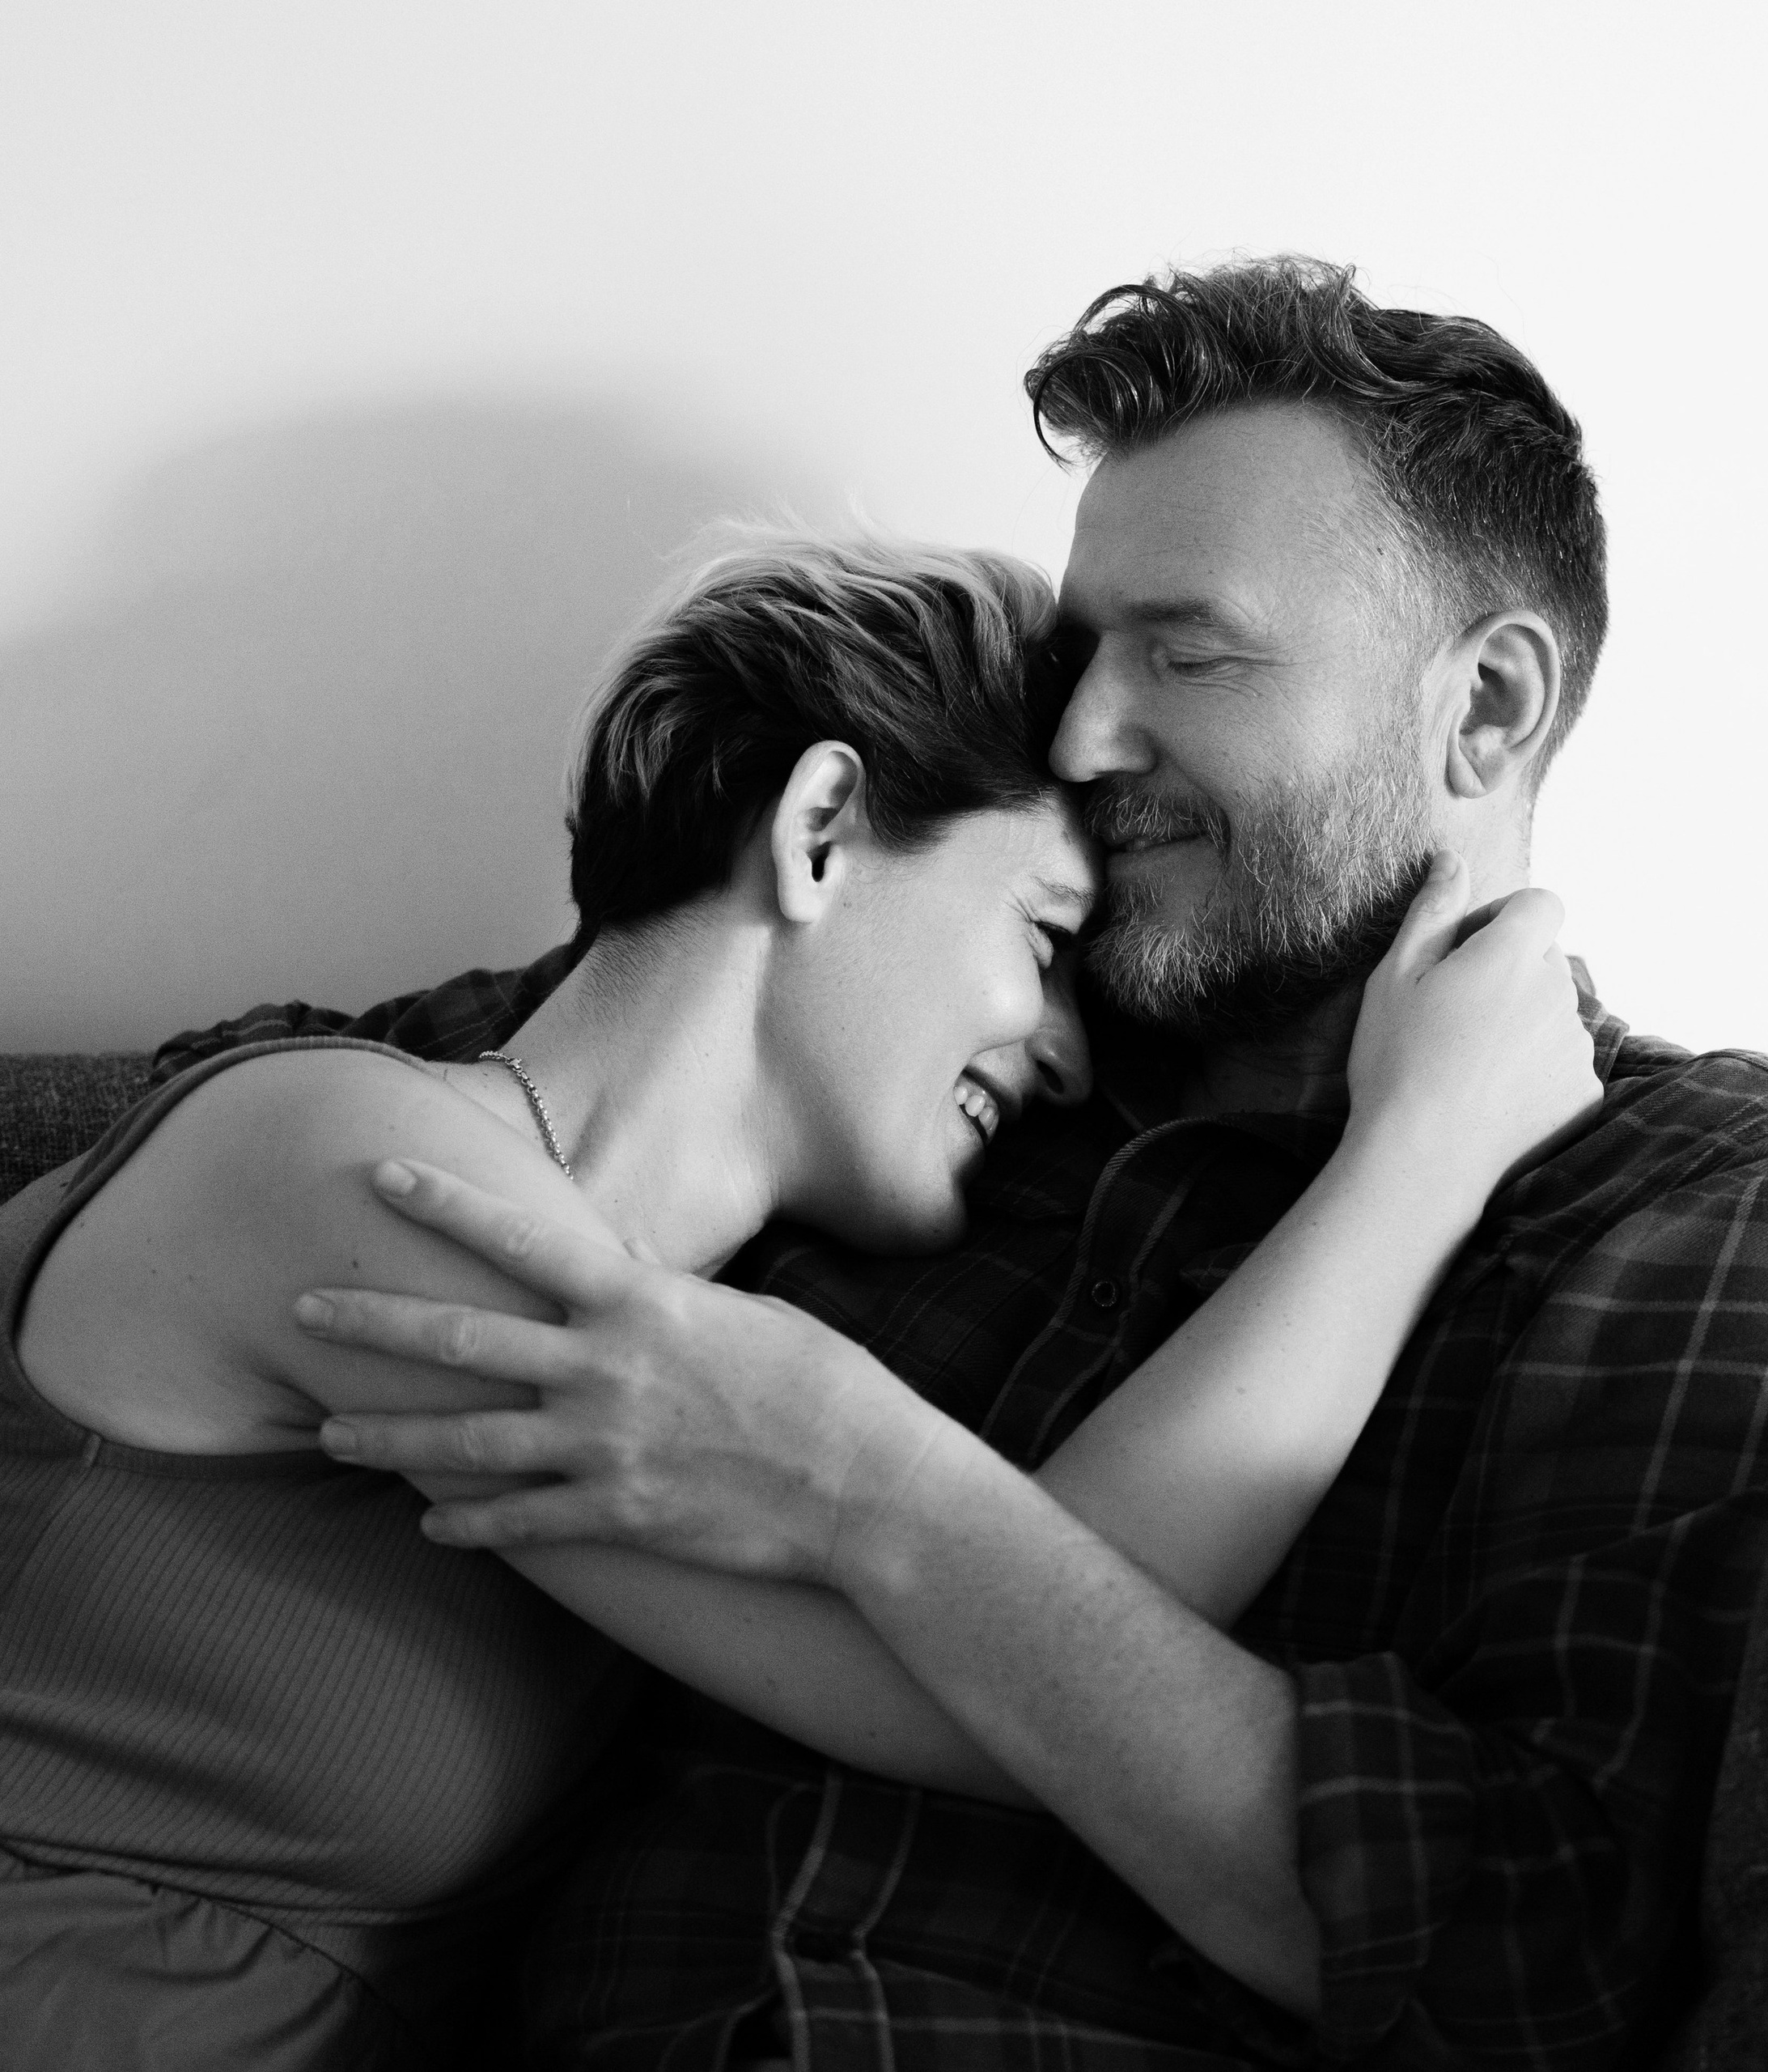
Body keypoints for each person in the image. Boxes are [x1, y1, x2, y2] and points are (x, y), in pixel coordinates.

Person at [273, 258, 1768, 2070]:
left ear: (1484, 709)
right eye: (1086, 654)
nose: (1077, 738)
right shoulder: (946, 1036)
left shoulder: (1700, 1195)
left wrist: (857, 1472)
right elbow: (360, 1094)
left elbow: (1525, 1959)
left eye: (1187, 651)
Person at [0, 525, 1597, 2070]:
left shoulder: (676, 1385)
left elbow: (1017, 1633)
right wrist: (1415, 1160)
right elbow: (1003, 1670)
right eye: (1044, 936)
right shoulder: (345, 1159)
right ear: (820, 825)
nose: (1062, 1054)